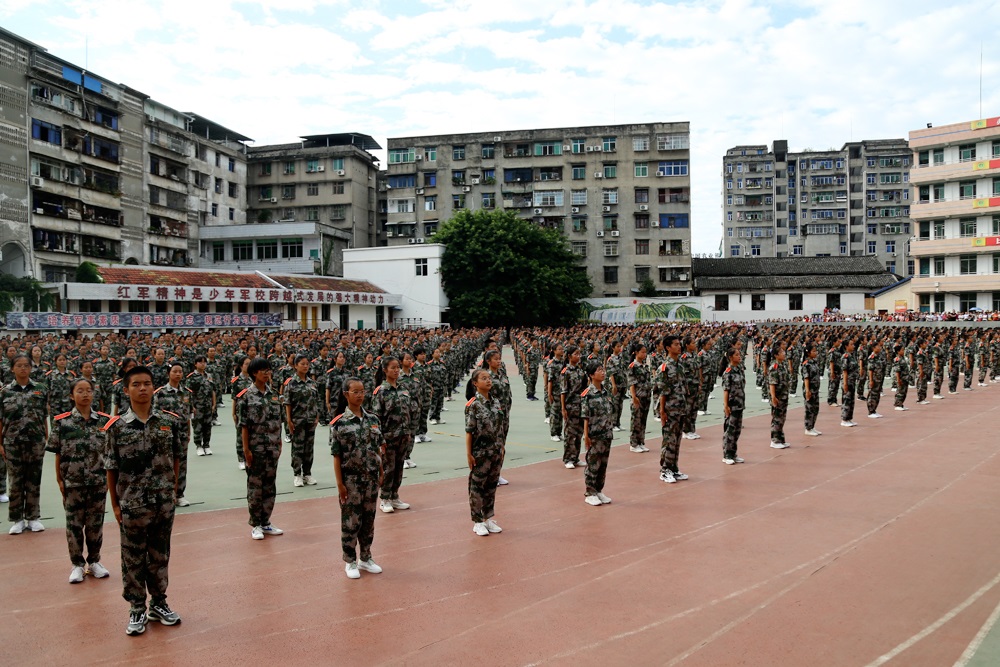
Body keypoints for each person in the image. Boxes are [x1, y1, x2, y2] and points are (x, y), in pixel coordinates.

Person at [103, 365, 183, 636]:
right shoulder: (116, 427)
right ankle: (137, 608)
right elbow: (111, 467)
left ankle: (159, 603)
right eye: (136, 384)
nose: (143, 388)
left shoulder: (168, 421)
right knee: (133, 558)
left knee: (160, 555)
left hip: (162, 502)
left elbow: (176, 459)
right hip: (132, 503)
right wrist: (115, 504)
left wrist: (172, 491)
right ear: (126, 390)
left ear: (153, 387)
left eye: (147, 383)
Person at [47, 377, 112, 583]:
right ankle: (77, 564)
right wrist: (59, 480)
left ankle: (94, 561)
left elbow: (111, 453)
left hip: (98, 481)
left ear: (94, 394)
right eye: (80, 391)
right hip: (73, 482)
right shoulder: (62, 422)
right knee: (73, 525)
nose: (85, 394)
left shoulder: (104, 421)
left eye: (88, 390)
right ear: (71, 395)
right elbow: (58, 454)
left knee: (95, 523)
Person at [330, 377, 384, 579]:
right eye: (355, 392)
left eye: (362, 391)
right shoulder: (339, 423)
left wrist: (381, 471)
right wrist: (340, 484)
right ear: (346, 395)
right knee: (351, 522)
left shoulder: (373, 419)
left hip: (371, 478)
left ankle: (366, 557)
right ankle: (350, 561)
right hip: (351, 480)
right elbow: (337, 456)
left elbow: (378, 448)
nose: (360, 395)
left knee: (369, 521)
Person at [1, 354, 50, 534]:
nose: (23, 368)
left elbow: (44, 417)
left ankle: (33, 517)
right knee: (15, 481)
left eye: (26, 365)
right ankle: (17, 519)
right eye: (19, 365)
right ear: (12, 369)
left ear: (31, 368)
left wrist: (45, 438)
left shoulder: (41, 389)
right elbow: (0, 419)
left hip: (35, 442)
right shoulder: (5, 392)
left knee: (34, 480)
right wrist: (0, 443)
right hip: (12, 442)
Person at [237, 358, 284, 540]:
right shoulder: (247, 396)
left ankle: (266, 522)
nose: (267, 373)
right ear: (254, 373)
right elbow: (244, 426)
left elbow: (277, 422)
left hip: (272, 447)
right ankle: (255, 523)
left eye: (268, 370)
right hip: (256, 449)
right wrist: (246, 450)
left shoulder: (273, 395)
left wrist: (279, 442)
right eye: (263, 370)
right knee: (255, 486)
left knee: (269, 486)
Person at [371, 356, 413, 513]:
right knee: (388, 468)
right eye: (393, 368)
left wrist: (409, 432)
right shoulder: (380, 392)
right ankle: (385, 498)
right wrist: (379, 439)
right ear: (385, 370)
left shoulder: (403, 389)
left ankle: (395, 496)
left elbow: (409, 412)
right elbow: (376, 418)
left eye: (398, 367)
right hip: (388, 437)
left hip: (403, 435)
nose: (396, 370)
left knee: (399, 467)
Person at [464, 369, 503, 536]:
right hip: (480, 453)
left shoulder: (496, 402)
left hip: (495, 450)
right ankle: (477, 521)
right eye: (484, 378)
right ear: (475, 383)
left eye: (489, 378)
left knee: (491, 485)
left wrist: (501, 447)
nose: (488, 381)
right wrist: (469, 454)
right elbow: (469, 432)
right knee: (477, 486)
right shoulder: (473, 405)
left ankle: (488, 518)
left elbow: (500, 427)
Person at [152, 363, 193, 507]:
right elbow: (155, 414)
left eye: (180, 371)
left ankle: (179, 494)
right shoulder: (160, 393)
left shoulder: (186, 393)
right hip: (165, 434)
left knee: (181, 464)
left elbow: (188, 415)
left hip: (181, 434)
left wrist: (188, 432)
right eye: (175, 371)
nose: (178, 374)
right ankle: (165, 494)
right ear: (168, 373)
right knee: (164, 463)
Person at [284, 354, 320, 487]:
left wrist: (317, 417)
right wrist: (288, 420)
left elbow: (316, 401)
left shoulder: (312, 383)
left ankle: (307, 473)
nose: (305, 366)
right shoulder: (291, 383)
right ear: (295, 366)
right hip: (297, 420)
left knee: (309, 448)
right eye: (302, 364)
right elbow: (287, 403)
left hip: (310, 420)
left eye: (307, 364)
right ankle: (297, 474)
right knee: (297, 448)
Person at [656, 335, 688, 484]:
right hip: (670, 409)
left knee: (677, 439)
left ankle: (674, 468)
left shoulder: (680, 365)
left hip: (680, 408)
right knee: (669, 440)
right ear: (668, 347)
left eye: (679, 344)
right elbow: (662, 392)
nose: (679, 346)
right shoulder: (665, 367)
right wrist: (662, 412)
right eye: (675, 344)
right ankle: (665, 470)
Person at [581, 361, 614, 505]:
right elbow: (585, 417)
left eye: (603, 369)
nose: (603, 372)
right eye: (599, 370)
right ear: (591, 375)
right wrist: (586, 436)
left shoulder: (606, 392)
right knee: (593, 464)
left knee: (603, 464)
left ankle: (599, 490)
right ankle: (590, 492)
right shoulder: (587, 394)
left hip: (606, 434)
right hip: (594, 435)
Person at [559, 346, 587, 469]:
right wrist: (563, 408)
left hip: (580, 405)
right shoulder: (565, 372)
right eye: (576, 354)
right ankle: (568, 458)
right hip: (570, 406)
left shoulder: (581, 371)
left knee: (579, 433)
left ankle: (575, 457)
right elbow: (563, 392)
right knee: (570, 434)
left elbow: (585, 389)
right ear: (569, 356)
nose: (578, 356)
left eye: (579, 354)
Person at [721, 347, 746, 465]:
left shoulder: (739, 369)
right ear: (731, 358)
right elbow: (726, 390)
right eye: (736, 355)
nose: (739, 356)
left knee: (737, 431)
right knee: (729, 431)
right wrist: (726, 406)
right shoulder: (728, 372)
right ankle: (727, 454)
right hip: (732, 405)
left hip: (740, 404)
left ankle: (733, 453)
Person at [187, 355, 216, 456]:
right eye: (200, 362)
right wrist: (192, 406)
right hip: (197, 406)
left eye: (204, 362)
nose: (203, 364)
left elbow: (212, 390)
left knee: (208, 426)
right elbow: (188, 393)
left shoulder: (208, 376)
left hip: (208, 405)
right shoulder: (191, 377)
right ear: (195, 364)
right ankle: (199, 446)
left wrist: (214, 404)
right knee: (198, 426)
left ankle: (207, 445)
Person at [627, 343, 651, 453]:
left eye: (645, 352)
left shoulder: (645, 365)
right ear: (636, 353)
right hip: (638, 396)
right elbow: (632, 382)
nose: (644, 354)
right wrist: (634, 396)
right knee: (636, 421)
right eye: (642, 352)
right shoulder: (633, 366)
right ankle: (633, 444)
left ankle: (641, 442)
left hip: (646, 396)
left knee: (643, 420)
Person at [768, 345, 790, 449]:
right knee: (776, 418)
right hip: (777, 396)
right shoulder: (774, 367)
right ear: (776, 355)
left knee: (782, 418)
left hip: (784, 396)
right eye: (781, 352)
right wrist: (773, 397)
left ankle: (781, 439)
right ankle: (774, 440)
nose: (784, 353)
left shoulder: (782, 365)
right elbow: (772, 383)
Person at [801, 344, 822, 436]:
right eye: (813, 351)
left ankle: (812, 426)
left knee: (815, 408)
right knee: (809, 409)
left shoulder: (814, 362)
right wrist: (807, 391)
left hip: (815, 389)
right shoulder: (806, 364)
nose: (816, 352)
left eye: (816, 351)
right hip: (809, 389)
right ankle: (808, 428)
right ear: (808, 353)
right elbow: (806, 378)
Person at [893, 344, 911, 411]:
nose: (903, 351)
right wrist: (898, 380)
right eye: (902, 350)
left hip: (905, 378)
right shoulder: (897, 359)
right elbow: (897, 370)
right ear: (898, 351)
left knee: (904, 391)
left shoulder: (903, 358)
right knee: (900, 391)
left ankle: (901, 404)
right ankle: (897, 404)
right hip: (901, 378)